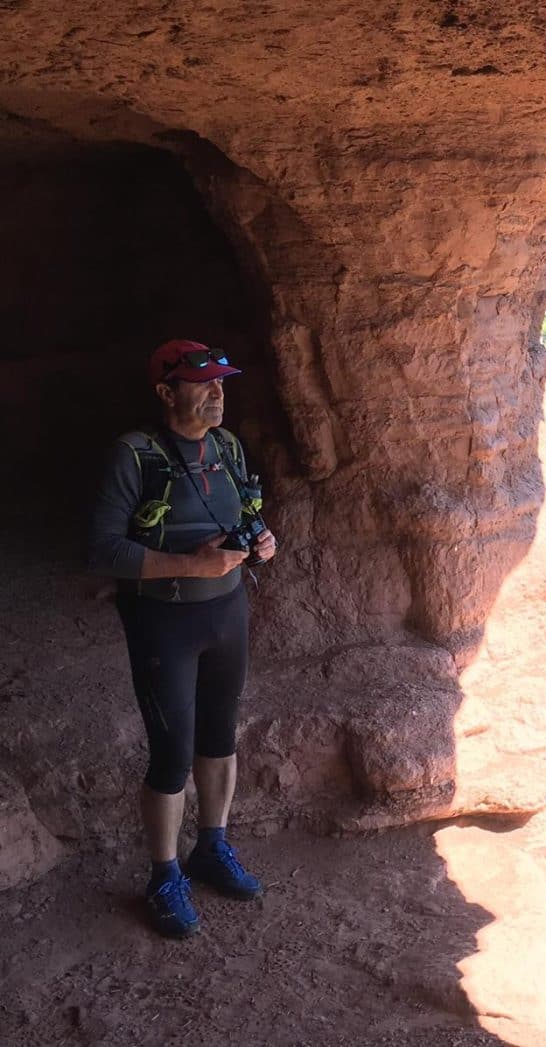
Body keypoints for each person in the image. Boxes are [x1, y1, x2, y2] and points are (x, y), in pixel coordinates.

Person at [88, 339, 278, 939]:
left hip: (226, 613)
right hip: (163, 621)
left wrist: (261, 538)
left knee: (221, 735)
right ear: (168, 393)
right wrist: (192, 567)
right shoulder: (134, 455)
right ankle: (163, 874)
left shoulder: (226, 446)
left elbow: (243, 509)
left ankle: (211, 847)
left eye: (222, 382)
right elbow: (101, 550)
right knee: (172, 752)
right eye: (203, 383)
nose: (218, 392)